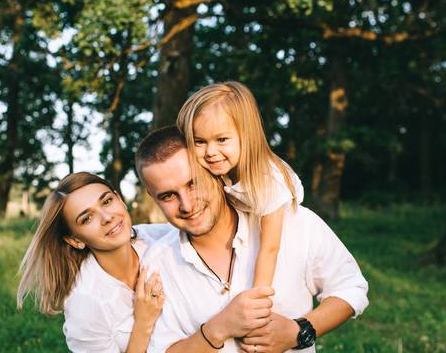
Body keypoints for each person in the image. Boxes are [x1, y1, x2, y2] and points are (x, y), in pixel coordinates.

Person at [135, 126, 369, 352]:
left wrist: (298, 331)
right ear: (152, 196)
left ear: (215, 170)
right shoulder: (158, 265)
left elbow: (350, 287)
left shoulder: (292, 222)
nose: (186, 205)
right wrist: (217, 329)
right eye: (168, 196)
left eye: (193, 183)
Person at [16, 172, 170, 353]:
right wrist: (143, 324)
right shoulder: (85, 305)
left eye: (106, 201)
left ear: (120, 199)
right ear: (75, 240)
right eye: (87, 218)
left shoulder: (162, 237)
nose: (107, 217)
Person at [176, 81, 302, 293]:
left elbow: (270, 248)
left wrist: (258, 297)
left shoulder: (268, 180)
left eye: (222, 139)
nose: (210, 152)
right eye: (199, 141)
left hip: (279, 240)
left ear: (247, 135)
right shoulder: (221, 169)